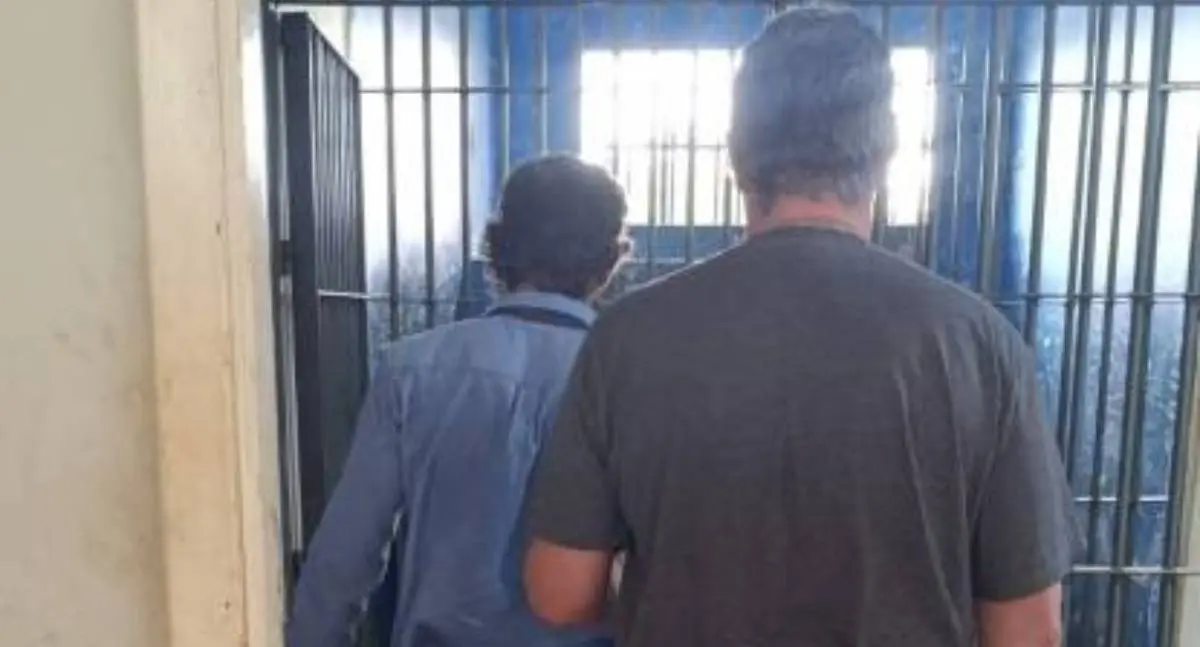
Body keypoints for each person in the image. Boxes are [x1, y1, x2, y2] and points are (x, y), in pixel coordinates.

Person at [523, 6, 1076, 647]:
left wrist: (664, 586)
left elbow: (560, 594)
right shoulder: (979, 344)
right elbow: (1030, 629)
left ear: (736, 156)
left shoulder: (628, 337)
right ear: (886, 155)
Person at [287, 154, 629, 647]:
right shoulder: (632, 379)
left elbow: (347, 552)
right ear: (610, 261)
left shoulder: (411, 368)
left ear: (496, 246)